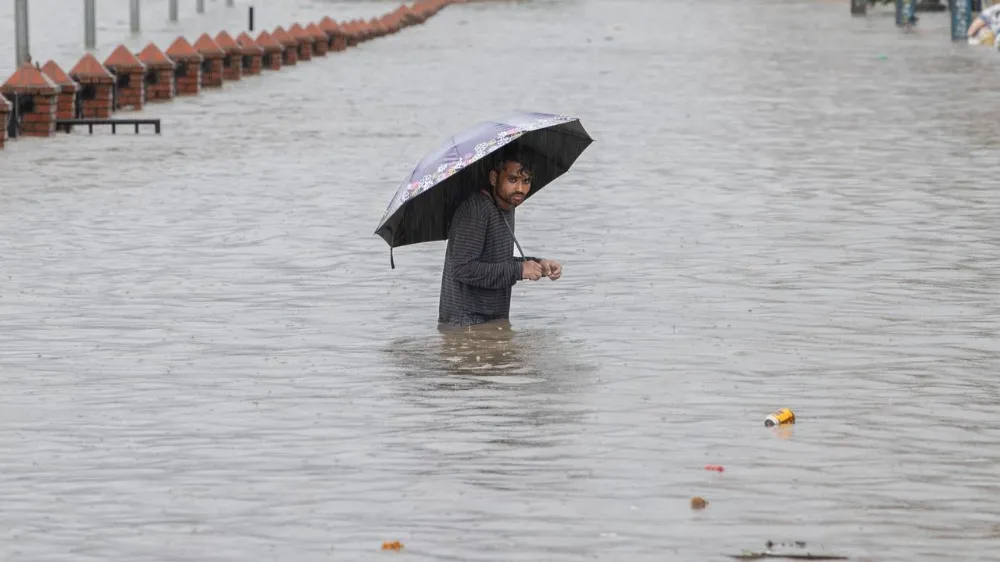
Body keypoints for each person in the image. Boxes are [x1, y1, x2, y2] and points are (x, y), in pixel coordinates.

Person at [438, 144, 562, 327]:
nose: (520, 188)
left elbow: (494, 259)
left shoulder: (507, 207)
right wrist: (519, 270)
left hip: (493, 322)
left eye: (526, 181)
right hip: (466, 325)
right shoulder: (476, 210)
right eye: (512, 180)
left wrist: (537, 264)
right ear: (494, 178)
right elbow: (462, 269)